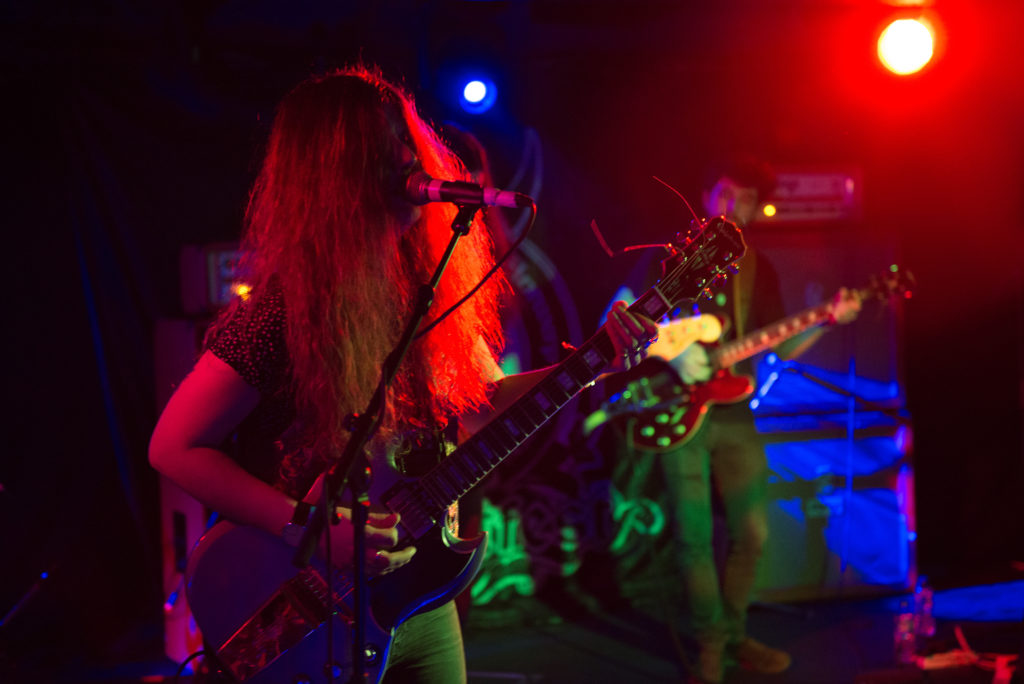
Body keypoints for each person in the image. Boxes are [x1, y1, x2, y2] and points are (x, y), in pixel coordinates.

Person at [147, 65, 658, 683]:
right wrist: (308, 525)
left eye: (405, 138)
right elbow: (174, 446)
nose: (408, 158)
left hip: (416, 593)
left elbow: (472, 408)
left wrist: (589, 364)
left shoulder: (425, 291)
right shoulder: (283, 309)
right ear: (338, 171)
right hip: (307, 600)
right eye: (384, 143)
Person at [601, 157, 861, 683]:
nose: (732, 206)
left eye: (743, 199)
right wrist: (673, 355)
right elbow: (618, 312)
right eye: (724, 193)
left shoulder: (756, 266)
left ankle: (735, 637)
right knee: (693, 537)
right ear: (706, 195)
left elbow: (774, 344)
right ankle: (711, 652)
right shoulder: (668, 255)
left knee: (754, 532)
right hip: (675, 406)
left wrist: (827, 320)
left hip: (735, 411)